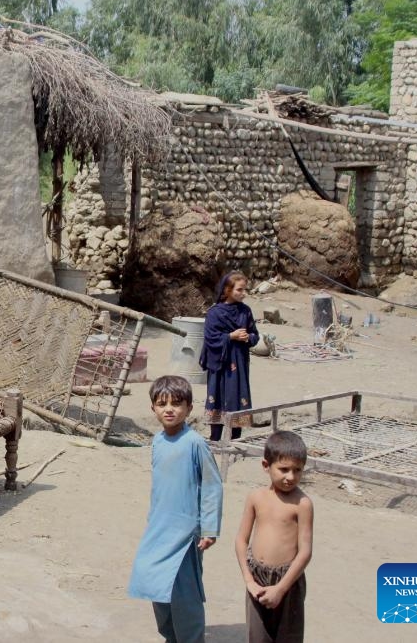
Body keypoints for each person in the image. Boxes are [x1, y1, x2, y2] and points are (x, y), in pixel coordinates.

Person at [128, 375, 224, 643]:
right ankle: (171, 637)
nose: (169, 409)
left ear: (189, 408)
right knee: (156, 586)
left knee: (184, 594)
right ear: (153, 409)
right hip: (159, 528)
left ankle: (191, 639)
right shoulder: (157, 442)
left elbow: (212, 486)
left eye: (177, 403)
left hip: (185, 533)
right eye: (162, 403)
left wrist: (209, 528)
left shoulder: (195, 443)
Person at [234, 431, 313, 643]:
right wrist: (249, 581)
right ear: (266, 465)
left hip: (288, 580)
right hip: (257, 578)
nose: (291, 477)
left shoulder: (302, 504)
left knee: (288, 637)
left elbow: (305, 552)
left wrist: (281, 588)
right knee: (258, 636)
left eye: (297, 470)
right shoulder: (256, 498)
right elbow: (241, 540)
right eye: (284, 469)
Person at [199, 271, 260, 442]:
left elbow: (255, 335)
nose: (243, 293)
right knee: (217, 395)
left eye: (244, 290)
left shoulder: (245, 311)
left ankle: (235, 439)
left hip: (239, 362)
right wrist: (230, 336)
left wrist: (248, 337)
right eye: (239, 290)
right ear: (227, 290)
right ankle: (216, 438)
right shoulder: (214, 313)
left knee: (237, 395)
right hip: (220, 363)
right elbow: (210, 338)